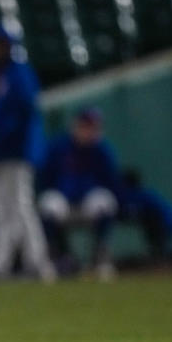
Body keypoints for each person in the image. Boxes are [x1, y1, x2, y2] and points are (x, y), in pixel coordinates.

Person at [0, 24, 55, 281]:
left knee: (20, 207)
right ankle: (0, 264)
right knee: (4, 211)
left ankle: (39, 264)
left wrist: (1, 143)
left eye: (0, 44)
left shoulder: (19, 74)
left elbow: (24, 114)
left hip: (16, 153)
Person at [38, 107, 122, 280]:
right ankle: (58, 256)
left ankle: (101, 258)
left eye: (93, 127)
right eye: (85, 125)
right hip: (64, 202)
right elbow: (45, 179)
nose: (88, 130)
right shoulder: (59, 147)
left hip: (87, 203)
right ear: (76, 125)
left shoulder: (102, 150)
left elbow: (111, 183)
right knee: (49, 204)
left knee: (105, 201)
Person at [118, 168, 172, 264]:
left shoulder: (139, 195)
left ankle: (165, 263)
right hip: (165, 221)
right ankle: (162, 260)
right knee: (156, 246)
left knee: (159, 247)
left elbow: (133, 213)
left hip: (165, 222)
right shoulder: (142, 193)